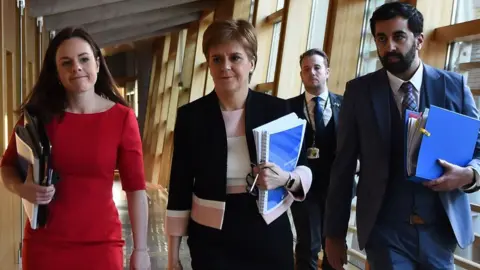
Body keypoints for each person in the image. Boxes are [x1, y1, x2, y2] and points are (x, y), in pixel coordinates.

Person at [324, 2, 480, 270]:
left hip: (440, 230)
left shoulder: (453, 86)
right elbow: (344, 166)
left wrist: (471, 175)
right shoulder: (359, 92)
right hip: (385, 230)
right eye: (381, 39)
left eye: (399, 37)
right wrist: (334, 233)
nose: (389, 47)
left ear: (418, 40)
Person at [164, 19, 312, 270]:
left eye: (235, 58)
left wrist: (284, 178)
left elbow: (303, 169)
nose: (226, 67)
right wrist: (172, 257)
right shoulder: (191, 116)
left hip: (268, 229)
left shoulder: (278, 109)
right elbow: (179, 187)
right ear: (209, 64)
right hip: (212, 237)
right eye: (217, 59)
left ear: (252, 63)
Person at [0, 27, 150, 270]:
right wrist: (21, 188)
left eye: (83, 59)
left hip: (102, 245)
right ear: (57, 72)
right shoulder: (38, 116)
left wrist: (141, 251)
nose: (76, 68)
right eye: (66, 63)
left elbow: (136, 190)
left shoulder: (122, 118)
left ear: (98, 64)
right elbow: (7, 167)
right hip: (45, 245)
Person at [288, 49, 356, 270]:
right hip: (303, 189)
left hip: (337, 188)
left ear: (327, 71)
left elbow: (359, 141)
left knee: (334, 246)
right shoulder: (288, 108)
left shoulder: (346, 105)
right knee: (308, 244)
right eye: (306, 69)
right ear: (301, 75)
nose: (312, 73)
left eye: (317, 67)